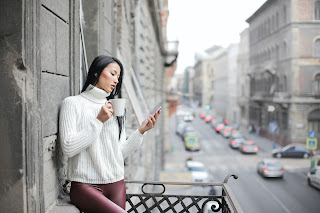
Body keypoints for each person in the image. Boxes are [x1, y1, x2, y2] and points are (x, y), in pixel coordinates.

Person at [59, 55, 161, 213]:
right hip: (85, 186)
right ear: (96, 73)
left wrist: (141, 131)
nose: (116, 80)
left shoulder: (115, 108)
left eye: (118, 77)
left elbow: (119, 152)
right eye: (113, 74)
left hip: (116, 183)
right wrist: (98, 121)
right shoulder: (73, 104)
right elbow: (68, 147)